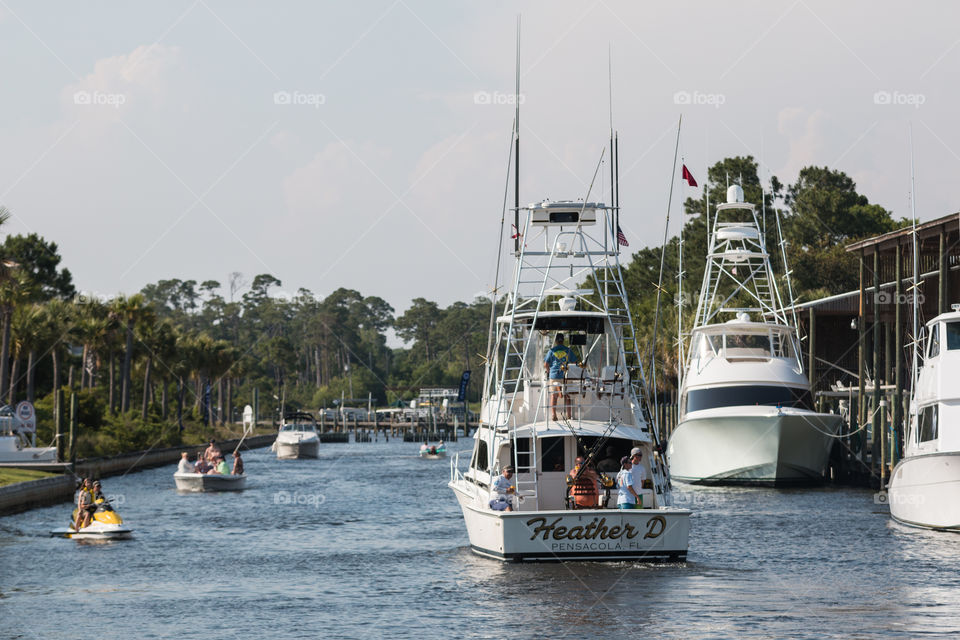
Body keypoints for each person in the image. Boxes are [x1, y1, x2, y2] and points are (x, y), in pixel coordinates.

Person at [544, 333, 575, 420]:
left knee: (554, 395)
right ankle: (569, 415)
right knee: (567, 395)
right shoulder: (568, 350)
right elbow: (574, 362)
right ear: (563, 340)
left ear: (556, 341)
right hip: (566, 376)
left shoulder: (552, 351)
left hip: (554, 375)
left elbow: (546, 364)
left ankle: (554, 415)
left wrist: (548, 371)